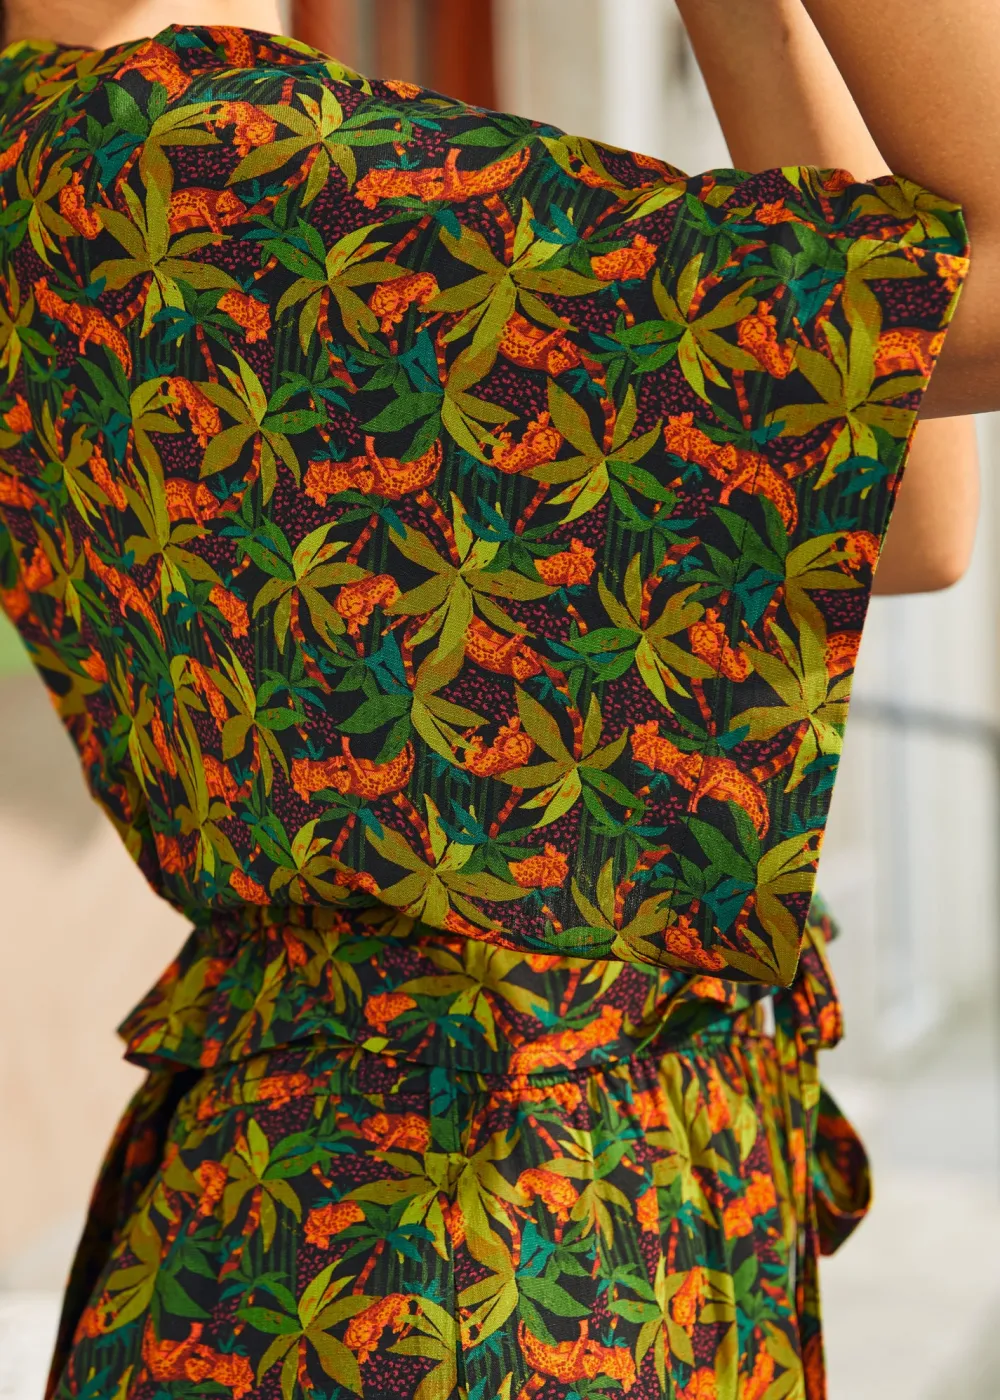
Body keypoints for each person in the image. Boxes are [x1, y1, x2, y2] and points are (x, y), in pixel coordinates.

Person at [0, 1, 990, 1397]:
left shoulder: (88, 165)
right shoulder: (199, 163)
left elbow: (907, 520)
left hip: (406, 1218)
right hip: (480, 1251)